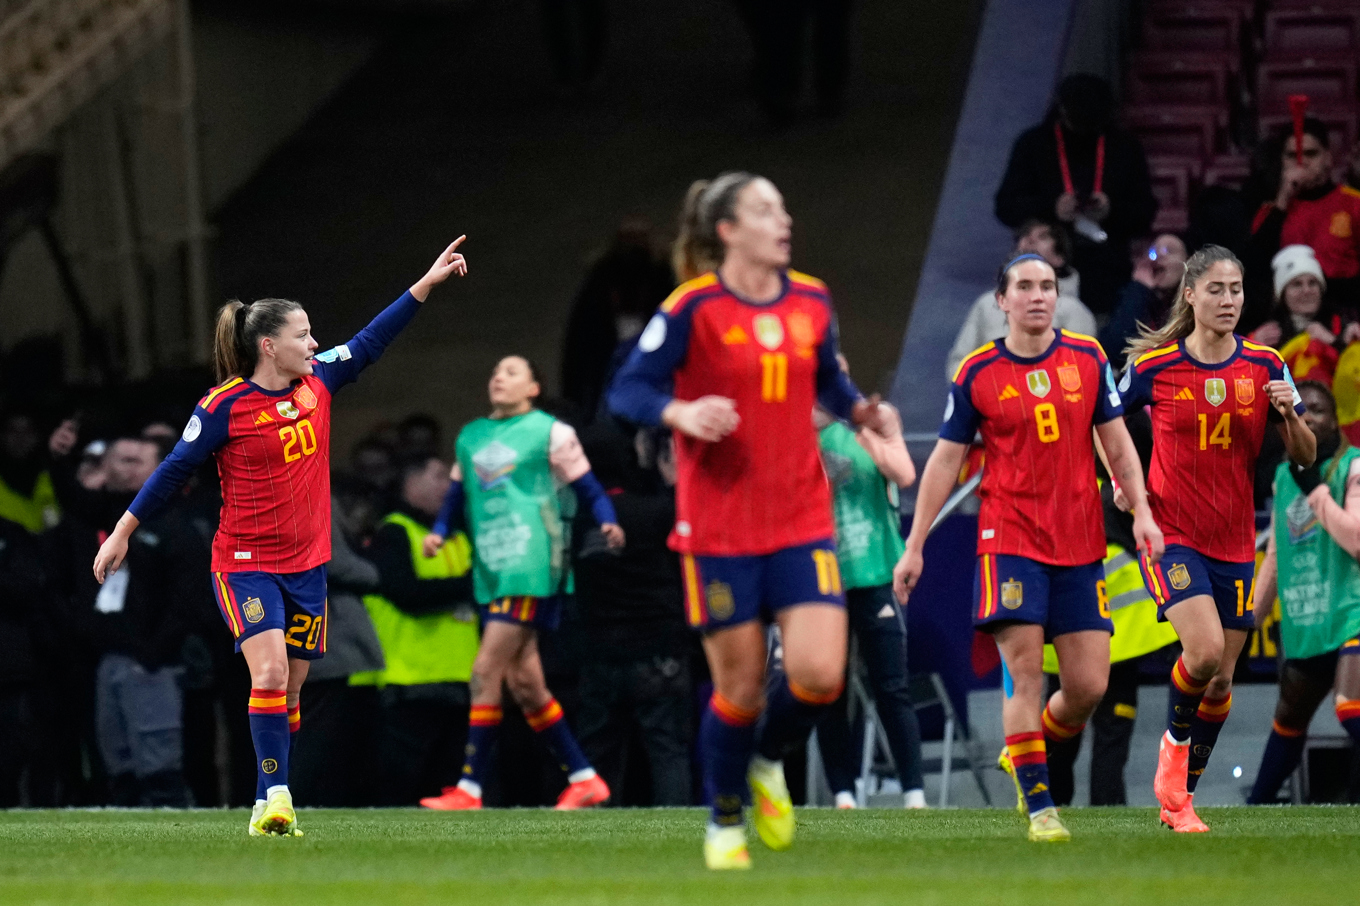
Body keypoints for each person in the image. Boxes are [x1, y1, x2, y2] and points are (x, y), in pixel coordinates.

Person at [90, 237, 470, 835]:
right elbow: (173, 471)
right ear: (270, 346)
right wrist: (122, 533)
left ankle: (270, 791)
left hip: (306, 564)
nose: (314, 344)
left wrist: (425, 282)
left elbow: (371, 341)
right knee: (265, 675)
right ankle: (274, 798)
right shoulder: (224, 406)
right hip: (244, 562)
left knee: (291, 695)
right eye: (303, 335)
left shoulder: (318, 381)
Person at [609, 171, 888, 869]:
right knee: (736, 686)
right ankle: (724, 820)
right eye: (765, 210)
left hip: (800, 515)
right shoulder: (693, 307)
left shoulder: (813, 299)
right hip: (721, 527)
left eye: (783, 207)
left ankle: (768, 757)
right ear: (728, 230)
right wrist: (680, 412)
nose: (783, 219)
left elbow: (826, 375)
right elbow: (629, 389)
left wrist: (857, 409)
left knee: (819, 676)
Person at [893, 253, 1162, 842]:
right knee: (1024, 671)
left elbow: (1116, 443)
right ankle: (1041, 807)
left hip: (1081, 539)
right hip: (1008, 539)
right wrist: (915, 544)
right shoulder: (976, 371)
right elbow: (944, 461)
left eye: (1048, 286)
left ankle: (1025, 748)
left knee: (1089, 685)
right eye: (1025, 286)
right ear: (1002, 301)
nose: (1039, 295)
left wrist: (1140, 509)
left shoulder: (1088, 358)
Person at [1117, 244, 1315, 832]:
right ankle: (1171, 760)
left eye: (1236, 290)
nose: (1228, 300)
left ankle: (1180, 800)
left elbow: (1304, 460)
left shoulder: (1267, 365)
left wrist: (1292, 417)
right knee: (1201, 654)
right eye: (1216, 290)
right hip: (1172, 533)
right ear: (1191, 295)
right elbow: (1105, 422)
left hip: (1233, 541)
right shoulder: (1154, 367)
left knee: (1222, 678)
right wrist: (1123, 484)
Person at [418, 355, 621, 811]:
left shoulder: (551, 432)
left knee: (485, 671)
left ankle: (469, 788)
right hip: (491, 562)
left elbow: (588, 487)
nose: (498, 378)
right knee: (527, 684)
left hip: (531, 561)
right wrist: (439, 532)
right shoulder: (471, 436)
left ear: (533, 388)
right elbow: (456, 496)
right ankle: (586, 777)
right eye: (495, 372)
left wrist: (607, 521)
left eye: (511, 372)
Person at [52, 436, 202, 806]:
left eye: (135, 461)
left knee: (158, 759)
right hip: (108, 658)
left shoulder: (173, 523)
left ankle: (174, 837)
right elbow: (74, 500)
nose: (122, 468)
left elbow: (187, 597)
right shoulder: (104, 514)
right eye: (117, 460)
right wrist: (58, 459)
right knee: (117, 762)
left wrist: (155, 652)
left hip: (153, 662)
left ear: (161, 468)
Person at [812, 382, 925, 809]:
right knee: (828, 689)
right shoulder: (794, 440)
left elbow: (906, 474)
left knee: (892, 686)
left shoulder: (875, 425)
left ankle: (914, 792)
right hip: (823, 579)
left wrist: (873, 437)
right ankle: (842, 792)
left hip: (877, 571)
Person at [569, 423, 693, 806]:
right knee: (667, 748)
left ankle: (594, 835)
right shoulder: (656, 511)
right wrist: (674, 481)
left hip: (599, 653)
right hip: (659, 652)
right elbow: (689, 530)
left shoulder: (580, 524)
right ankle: (677, 832)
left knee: (598, 751)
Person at [1248, 382, 1360, 803]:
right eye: (1299, 409)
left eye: (1317, 409)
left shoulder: (1353, 465)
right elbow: (1275, 558)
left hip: (1352, 610)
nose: (1308, 415)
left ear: (1335, 420)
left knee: (1350, 707)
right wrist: (1247, 624)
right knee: (1288, 720)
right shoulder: (1282, 476)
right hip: (1308, 615)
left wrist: (1315, 489)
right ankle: (1254, 809)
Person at [354, 455, 479, 806]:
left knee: (449, 783)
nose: (449, 485)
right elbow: (406, 593)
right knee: (400, 784)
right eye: (439, 476)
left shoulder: (458, 536)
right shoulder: (395, 531)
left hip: (460, 677)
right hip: (409, 679)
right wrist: (472, 585)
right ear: (410, 483)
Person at [994, 73, 1157, 316]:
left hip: (1106, 268)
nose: (1083, 131)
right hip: (1046, 268)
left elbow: (1145, 211)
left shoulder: (1124, 147)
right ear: (1063, 111)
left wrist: (1111, 210)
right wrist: (1052, 209)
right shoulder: (1034, 145)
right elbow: (1006, 206)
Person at [290, 489, 384, 807]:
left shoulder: (260, 490)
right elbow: (332, 561)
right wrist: (373, 573)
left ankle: (291, 801)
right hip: (323, 634)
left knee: (299, 729)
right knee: (317, 736)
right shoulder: (307, 493)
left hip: (284, 626)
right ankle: (299, 804)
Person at [946, 219, 1096, 379]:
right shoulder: (987, 304)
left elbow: (1081, 369)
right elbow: (959, 362)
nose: (1030, 240)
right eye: (1025, 236)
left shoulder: (1074, 311)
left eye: (1043, 237)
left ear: (1059, 257)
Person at [1249, 118, 1360, 313]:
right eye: (1292, 156)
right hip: (1287, 322)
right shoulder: (1271, 212)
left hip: (1345, 313)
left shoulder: (1354, 203)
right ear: (1282, 162)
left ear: (1328, 157)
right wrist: (1283, 198)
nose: (1302, 163)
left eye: (1311, 154)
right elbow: (1256, 269)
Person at [1250, 245, 1360, 388]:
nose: (1306, 290)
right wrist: (1252, 347)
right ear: (1282, 295)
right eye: (1297, 284)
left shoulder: (1345, 327)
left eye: (1312, 283)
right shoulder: (1267, 334)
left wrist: (1334, 343)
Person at [1100, 234, 1188, 373]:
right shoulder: (1132, 298)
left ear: (1187, 264)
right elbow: (1115, 349)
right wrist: (1139, 289)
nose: (1158, 256)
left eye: (1168, 251)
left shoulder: (1196, 307)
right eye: (1153, 251)